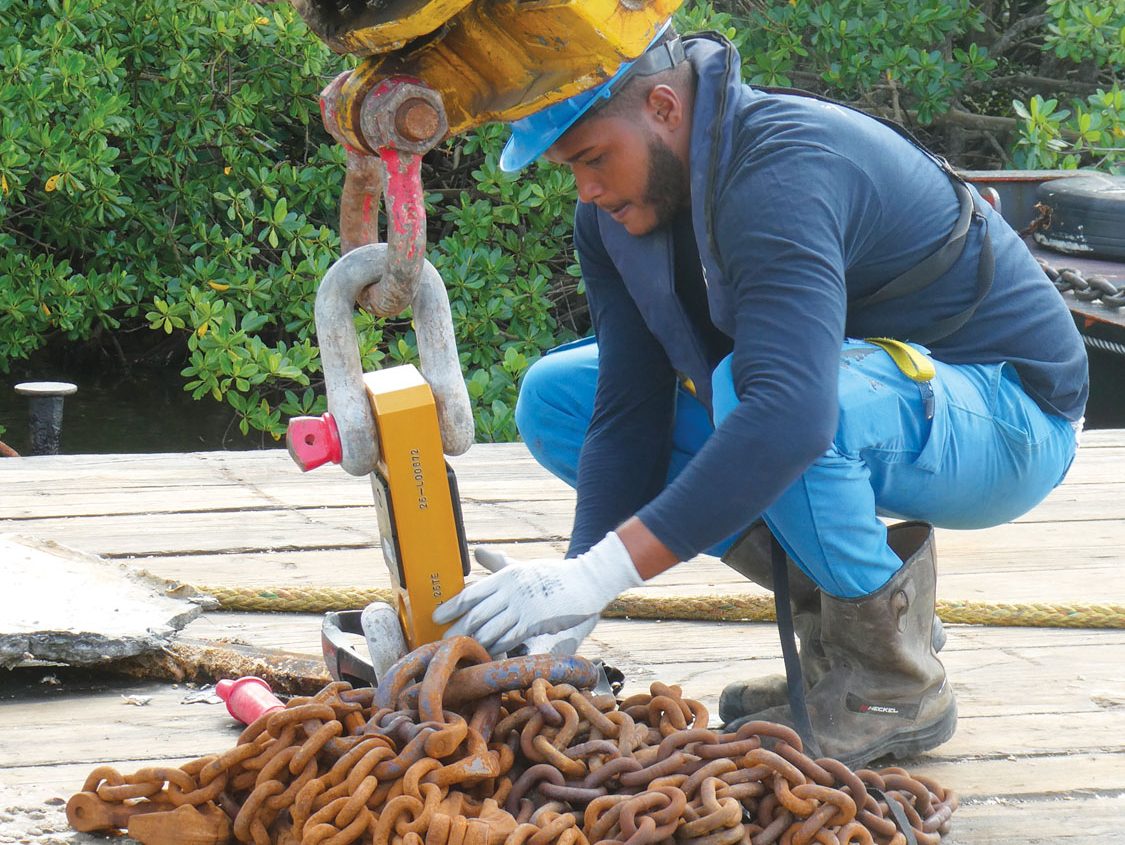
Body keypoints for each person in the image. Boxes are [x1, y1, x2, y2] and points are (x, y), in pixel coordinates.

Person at [433, 25, 1088, 767]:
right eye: (568, 167)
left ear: (662, 107)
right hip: (861, 401)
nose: (584, 188)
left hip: (1010, 417)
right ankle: (846, 642)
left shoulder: (780, 169)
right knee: (558, 398)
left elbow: (792, 414)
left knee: (757, 392)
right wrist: (573, 597)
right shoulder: (612, 219)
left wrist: (600, 571)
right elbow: (627, 411)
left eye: (591, 158)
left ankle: (890, 680)